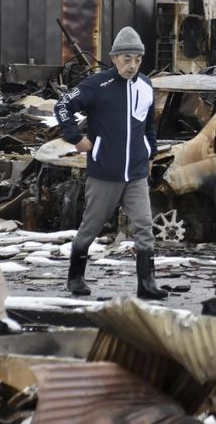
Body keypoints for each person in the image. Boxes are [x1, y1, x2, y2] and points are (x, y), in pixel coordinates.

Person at [54, 26, 168, 300]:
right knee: (91, 227)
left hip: (137, 173)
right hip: (105, 172)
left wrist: (150, 154)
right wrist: (76, 138)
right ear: (114, 58)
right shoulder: (97, 85)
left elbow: (148, 126)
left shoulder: (146, 86)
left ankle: (147, 284)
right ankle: (76, 278)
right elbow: (62, 106)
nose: (132, 65)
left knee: (144, 225)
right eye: (126, 59)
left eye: (137, 59)